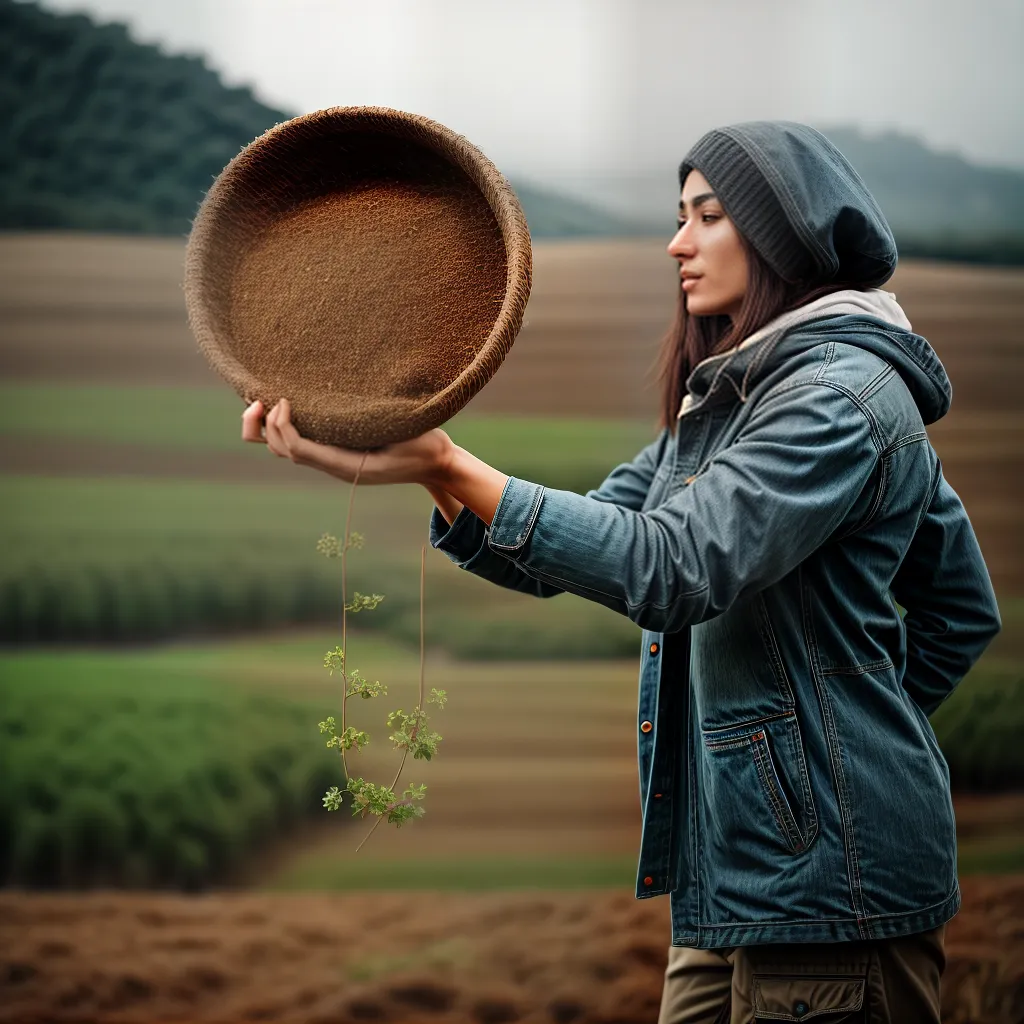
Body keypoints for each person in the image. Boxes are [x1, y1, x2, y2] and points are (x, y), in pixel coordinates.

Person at [241, 120, 1001, 1023]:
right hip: (729, 889)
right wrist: (420, 468)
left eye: (708, 216)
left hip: (833, 901)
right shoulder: (730, 400)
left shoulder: (836, 400)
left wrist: (840, 755)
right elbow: (593, 541)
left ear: (783, 232)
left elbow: (670, 569)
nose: (677, 242)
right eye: (678, 215)